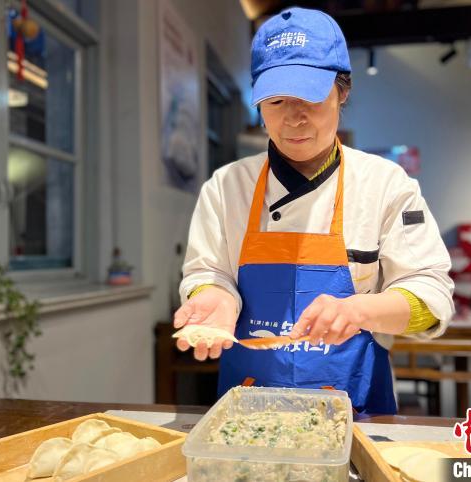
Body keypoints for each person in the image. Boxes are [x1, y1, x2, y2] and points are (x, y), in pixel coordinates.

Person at [174, 7, 454, 414]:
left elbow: (431, 297)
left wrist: (359, 310)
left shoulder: (385, 184)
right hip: (245, 410)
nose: (294, 118)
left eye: (310, 97)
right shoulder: (226, 187)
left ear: (343, 92)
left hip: (355, 409)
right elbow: (207, 271)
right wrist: (215, 295)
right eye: (276, 101)